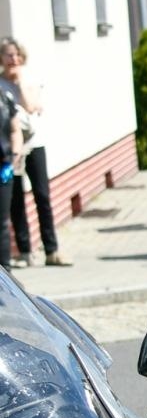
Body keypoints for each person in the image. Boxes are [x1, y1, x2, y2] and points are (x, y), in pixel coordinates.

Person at [0, 39, 69, 267]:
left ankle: (52, 250)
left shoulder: (30, 79)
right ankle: (25, 251)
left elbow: (30, 106)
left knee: (42, 195)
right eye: (8, 55)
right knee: (17, 200)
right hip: (12, 149)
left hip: (34, 144)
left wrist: (19, 84)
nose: (13, 59)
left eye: (16, 54)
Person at [0, 71, 20, 272]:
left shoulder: (5, 99)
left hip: (2, 168)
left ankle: (5, 272)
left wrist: (14, 156)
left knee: (2, 221)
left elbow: (15, 130)